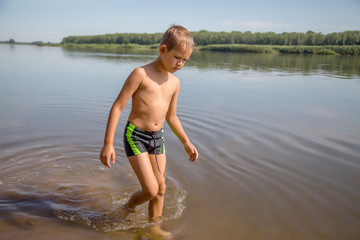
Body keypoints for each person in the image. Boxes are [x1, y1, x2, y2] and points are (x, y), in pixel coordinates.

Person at [99, 25, 198, 238]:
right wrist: (108, 143)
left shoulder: (175, 82)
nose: (180, 63)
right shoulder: (141, 74)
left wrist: (186, 142)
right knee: (151, 190)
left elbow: (171, 117)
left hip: (157, 138)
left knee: (161, 188)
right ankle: (129, 206)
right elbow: (118, 106)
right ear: (163, 50)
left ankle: (153, 228)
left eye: (185, 60)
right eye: (177, 57)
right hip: (136, 136)